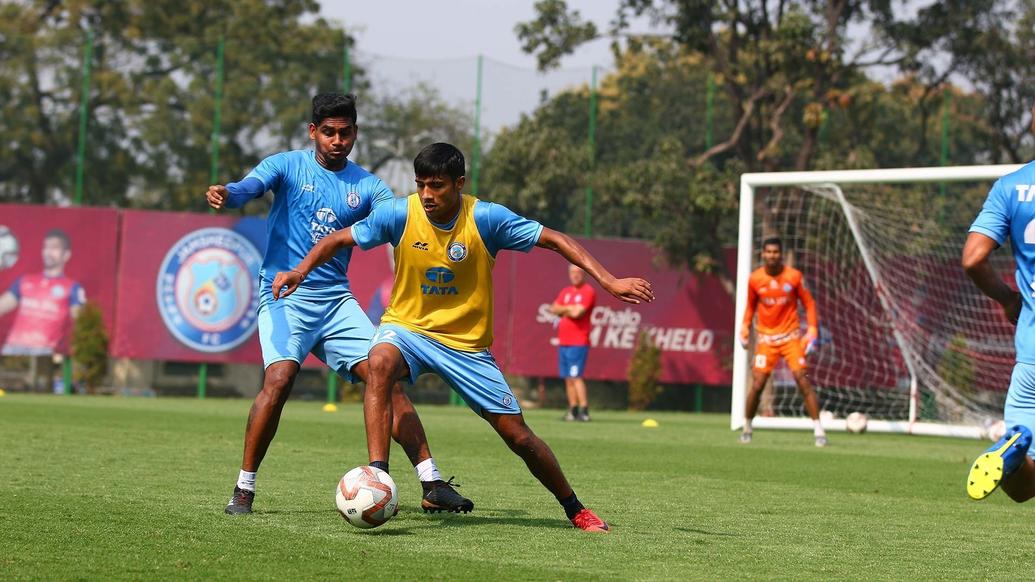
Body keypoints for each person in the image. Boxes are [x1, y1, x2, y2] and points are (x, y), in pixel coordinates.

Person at [272, 143, 655, 532]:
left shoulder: (486, 218)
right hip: (408, 329)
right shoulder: (400, 213)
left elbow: (554, 239)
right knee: (380, 362)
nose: (426, 195)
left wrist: (609, 280)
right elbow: (338, 239)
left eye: (436, 186)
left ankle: (576, 509)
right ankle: (378, 474)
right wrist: (300, 271)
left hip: (466, 346)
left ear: (459, 183)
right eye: (420, 184)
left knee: (519, 437)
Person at [207, 94, 471, 515]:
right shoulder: (286, 165)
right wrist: (229, 192)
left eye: (345, 132)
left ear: (355, 134)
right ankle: (244, 488)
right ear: (313, 132)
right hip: (283, 295)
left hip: (335, 301)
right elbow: (249, 188)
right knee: (279, 381)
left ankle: (432, 482)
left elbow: (397, 214)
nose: (336, 140)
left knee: (384, 377)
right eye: (328, 132)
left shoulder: (367, 186)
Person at [962, 103, 1035, 501]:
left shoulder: (1011, 186)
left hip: (1031, 358)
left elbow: (973, 259)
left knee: (1024, 487)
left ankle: (1010, 451)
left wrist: (1008, 298)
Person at [739, 237, 826, 447]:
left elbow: (809, 303)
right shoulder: (755, 279)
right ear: (763, 254)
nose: (772, 255)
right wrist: (744, 327)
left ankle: (819, 430)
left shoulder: (794, 277)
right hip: (766, 339)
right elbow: (750, 307)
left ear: (781, 254)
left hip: (791, 338)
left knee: (803, 379)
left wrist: (812, 328)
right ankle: (747, 427)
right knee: (758, 383)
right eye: (768, 252)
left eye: (776, 252)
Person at [0, 229, 85, 357]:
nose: (48, 252)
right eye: (46, 247)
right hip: (13, 348)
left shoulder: (72, 287)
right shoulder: (25, 281)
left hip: (44, 352)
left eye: (54, 248)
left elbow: (80, 322)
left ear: (66, 254)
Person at [550, 265, 596, 421]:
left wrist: (564, 309)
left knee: (576, 376)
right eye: (572, 272)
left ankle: (584, 410)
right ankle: (573, 410)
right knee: (568, 378)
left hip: (579, 341)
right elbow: (553, 308)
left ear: (583, 274)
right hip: (564, 341)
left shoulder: (588, 291)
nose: (575, 275)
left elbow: (578, 313)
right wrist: (569, 308)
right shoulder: (566, 291)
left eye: (578, 272)